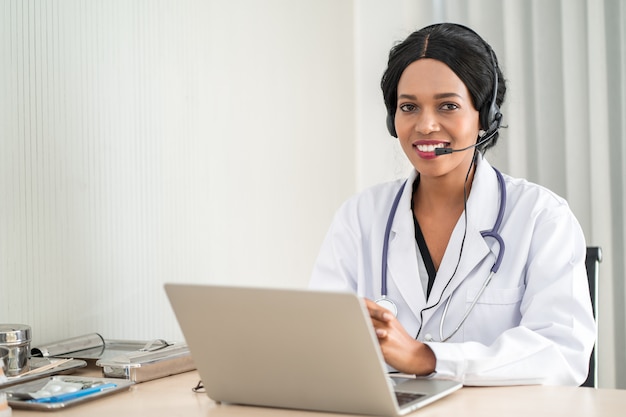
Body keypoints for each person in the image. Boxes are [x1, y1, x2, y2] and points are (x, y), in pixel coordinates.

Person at [309, 23, 595, 386]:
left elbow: (560, 352)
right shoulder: (360, 217)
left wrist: (426, 357)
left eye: (448, 106)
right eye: (408, 107)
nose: (426, 125)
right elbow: (319, 341)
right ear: (392, 120)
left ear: (485, 117)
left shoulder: (542, 217)